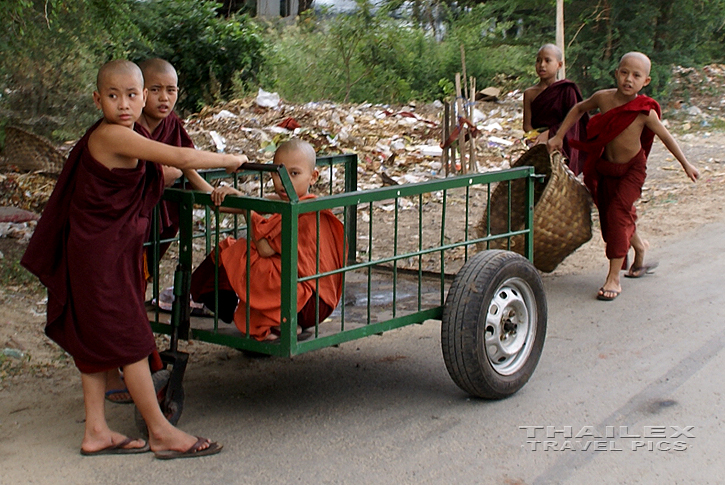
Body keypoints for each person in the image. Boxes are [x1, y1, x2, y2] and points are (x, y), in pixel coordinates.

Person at [20, 59, 247, 458]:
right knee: (132, 341)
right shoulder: (112, 135)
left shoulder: (123, 136)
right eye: (113, 95)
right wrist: (231, 161)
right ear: (97, 99)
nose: (123, 104)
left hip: (101, 252)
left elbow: (163, 170)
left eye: (130, 95)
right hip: (100, 257)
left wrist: (203, 184)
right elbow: (181, 159)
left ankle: (96, 431)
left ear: (140, 98)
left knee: (92, 342)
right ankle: (161, 433)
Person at [103, 58, 217, 405]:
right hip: (124, 226)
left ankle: (127, 367)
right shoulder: (126, 128)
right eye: (155, 90)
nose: (163, 99)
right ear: (141, 94)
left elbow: (184, 162)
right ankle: (123, 368)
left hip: (155, 223)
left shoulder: (172, 124)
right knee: (125, 297)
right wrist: (169, 172)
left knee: (137, 290)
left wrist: (209, 195)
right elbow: (159, 170)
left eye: (171, 90)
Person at [547, 52, 699, 301]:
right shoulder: (603, 99)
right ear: (616, 73)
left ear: (645, 81)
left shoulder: (644, 111)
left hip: (632, 170)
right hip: (606, 168)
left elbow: (666, 137)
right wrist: (559, 136)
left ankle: (613, 278)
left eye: (636, 76)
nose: (629, 79)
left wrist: (686, 164)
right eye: (624, 72)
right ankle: (639, 248)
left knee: (617, 213)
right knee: (613, 217)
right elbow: (578, 109)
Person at [190, 139, 346, 341]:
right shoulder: (286, 200)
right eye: (277, 173)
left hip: (309, 301)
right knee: (239, 253)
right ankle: (278, 322)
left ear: (313, 177)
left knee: (232, 250)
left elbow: (264, 248)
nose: (283, 181)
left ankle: (269, 320)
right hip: (315, 300)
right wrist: (189, 171)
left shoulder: (308, 212)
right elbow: (222, 204)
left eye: (294, 174)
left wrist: (247, 209)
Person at [523, 44, 588, 175]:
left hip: (561, 144)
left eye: (547, 60)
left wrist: (550, 134)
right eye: (538, 60)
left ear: (559, 65)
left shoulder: (567, 89)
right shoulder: (529, 93)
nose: (542, 65)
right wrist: (535, 139)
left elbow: (573, 121)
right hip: (538, 146)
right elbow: (527, 125)